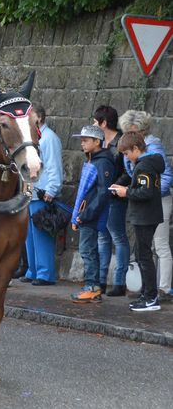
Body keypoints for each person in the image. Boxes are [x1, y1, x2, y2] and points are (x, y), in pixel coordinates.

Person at [117, 110, 173, 300]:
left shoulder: (152, 148)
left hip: (157, 199)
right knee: (146, 249)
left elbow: (164, 178)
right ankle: (149, 289)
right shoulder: (135, 149)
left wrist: (149, 194)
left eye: (134, 131)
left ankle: (163, 288)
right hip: (145, 198)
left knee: (160, 245)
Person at [111, 131, 165, 311]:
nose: (127, 158)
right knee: (142, 254)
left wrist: (126, 192)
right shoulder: (148, 164)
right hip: (146, 215)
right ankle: (147, 295)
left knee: (144, 256)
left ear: (136, 148)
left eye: (127, 153)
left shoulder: (144, 167)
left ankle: (151, 298)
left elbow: (145, 192)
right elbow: (143, 188)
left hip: (145, 216)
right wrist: (126, 188)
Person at [70, 125, 115, 303]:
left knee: (88, 251)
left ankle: (92, 287)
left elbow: (103, 193)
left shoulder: (102, 162)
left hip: (91, 216)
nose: (82, 143)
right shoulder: (92, 159)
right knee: (88, 250)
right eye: (81, 140)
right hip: (86, 213)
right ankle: (93, 287)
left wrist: (85, 214)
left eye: (86, 140)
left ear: (97, 142)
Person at [21, 104, 63, 286]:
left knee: (41, 234)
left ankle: (45, 273)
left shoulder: (49, 138)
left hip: (43, 192)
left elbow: (54, 166)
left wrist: (52, 189)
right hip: (31, 192)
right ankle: (33, 270)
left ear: (38, 118)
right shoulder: (33, 138)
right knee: (30, 236)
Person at [93, 105, 130, 296]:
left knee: (117, 236)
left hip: (115, 195)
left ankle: (119, 281)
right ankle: (101, 280)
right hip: (101, 195)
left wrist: (114, 187)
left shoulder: (121, 141)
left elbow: (128, 171)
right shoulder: (99, 141)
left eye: (95, 121)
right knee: (102, 237)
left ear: (104, 123)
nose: (93, 124)